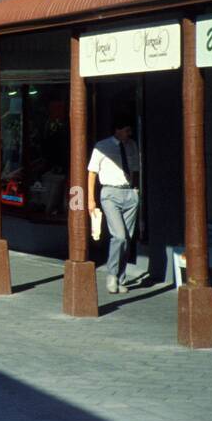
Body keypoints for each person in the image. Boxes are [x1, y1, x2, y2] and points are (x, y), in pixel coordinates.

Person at [87, 114, 141, 294]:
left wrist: (136, 190)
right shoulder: (102, 146)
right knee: (118, 235)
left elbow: (135, 169)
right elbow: (92, 173)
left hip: (129, 193)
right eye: (126, 130)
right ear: (117, 130)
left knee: (127, 238)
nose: (129, 133)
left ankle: (120, 277)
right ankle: (111, 274)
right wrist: (91, 199)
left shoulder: (132, 145)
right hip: (110, 192)